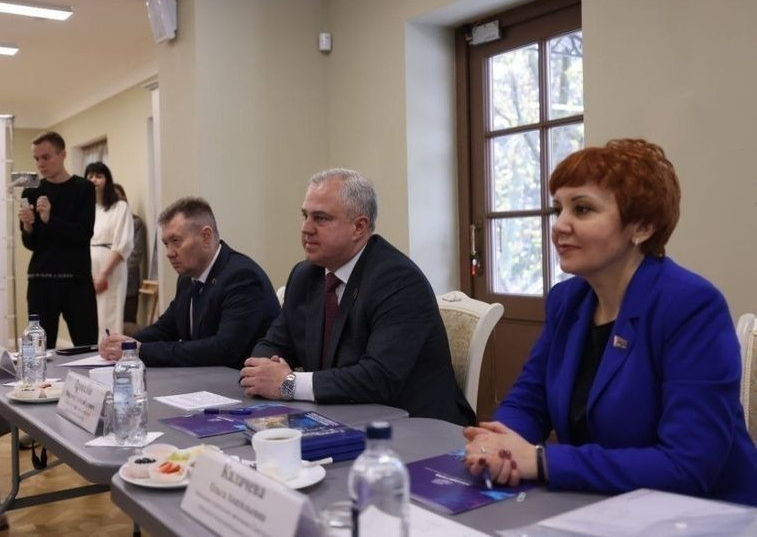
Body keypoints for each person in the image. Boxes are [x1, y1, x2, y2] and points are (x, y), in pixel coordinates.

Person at [463, 139, 757, 506]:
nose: (559, 225)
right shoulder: (567, 300)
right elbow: (529, 401)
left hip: (705, 514)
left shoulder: (691, 305)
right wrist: (497, 443)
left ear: (642, 227)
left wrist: (540, 460)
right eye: (558, 209)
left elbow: (688, 465)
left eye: (582, 209)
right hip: (598, 504)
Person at [240, 168, 475, 426]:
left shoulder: (398, 281)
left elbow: (379, 377)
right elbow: (272, 343)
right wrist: (265, 371)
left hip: (413, 426)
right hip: (338, 417)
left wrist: (288, 384)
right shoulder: (305, 275)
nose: (306, 229)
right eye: (305, 216)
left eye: (321, 218)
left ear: (359, 227)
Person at [99, 197, 280, 368]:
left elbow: (222, 350)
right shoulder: (187, 278)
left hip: (239, 382)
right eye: (166, 244)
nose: (169, 253)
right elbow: (166, 328)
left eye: (176, 241)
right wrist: (125, 344)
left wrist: (142, 351)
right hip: (203, 379)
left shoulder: (242, 277)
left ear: (206, 237)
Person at [19, 132, 97, 348]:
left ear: (62, 154)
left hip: (76, 280)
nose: (40, 164)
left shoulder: (83, 188)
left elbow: (83, 234)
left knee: (86, 346)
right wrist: (28, 226)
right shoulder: (31, 191)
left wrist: (49, 219)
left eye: (46, 157)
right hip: (41, 280)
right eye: (36, 159)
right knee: (39, 349)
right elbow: (31, 244)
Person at [84, 162, 134, 335]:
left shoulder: (120, 207)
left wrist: (103, 274)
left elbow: (123, 243)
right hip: (87, 267)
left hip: (110, 268)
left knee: (108, 316)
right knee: (89, 317)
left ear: (107, 180)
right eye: (90, 176)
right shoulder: (87, 209)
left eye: (98, 176)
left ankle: (109, 349)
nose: (93, 180)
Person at [114, 183, 147, 324]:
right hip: (108, 285)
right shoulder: (106, 224)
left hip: (128, 285)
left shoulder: (136, 223)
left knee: (127, 324)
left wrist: (116, 271)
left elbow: (135, 255)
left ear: (124, 198)